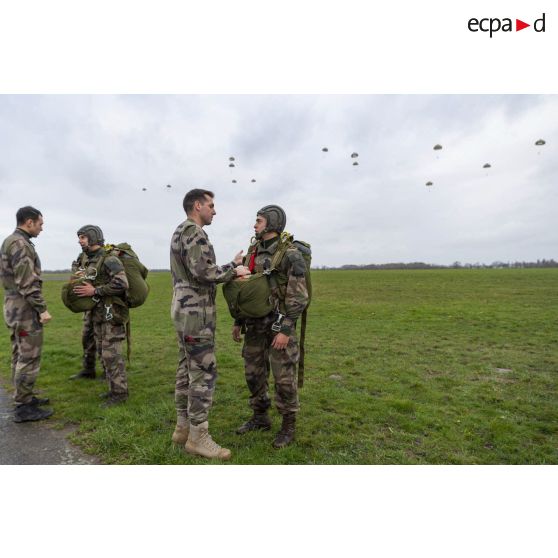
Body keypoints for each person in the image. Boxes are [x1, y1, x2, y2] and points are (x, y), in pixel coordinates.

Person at [170, 188, 250, 460]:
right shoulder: (195, 232)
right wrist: (235, 271)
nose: (214, 211)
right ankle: (198, 437)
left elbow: (197, 268)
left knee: (185, 368)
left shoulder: (180, 231)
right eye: (211, 205)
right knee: (204, 372)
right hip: (197, 314)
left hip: (182, 309)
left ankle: (182, 428)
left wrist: (230, 264)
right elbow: (203, 271)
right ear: (197, 206)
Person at [233, 205, 309, 448]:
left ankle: (288, 425)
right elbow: (247, 290)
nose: (255, 225)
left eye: (259, 220)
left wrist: (286, 329)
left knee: (284, 378)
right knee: (253, 375)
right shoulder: (252, 251)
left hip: (279, 326)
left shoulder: (291, 254)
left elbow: (299, 297)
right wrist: (238, 321)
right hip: (254, 325)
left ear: (272, 223)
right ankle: (260, 417)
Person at [0, 206, 53, 423]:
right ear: (29, 222)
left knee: (19, 353)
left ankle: (25, 397)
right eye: (40, 223)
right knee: (28, 356)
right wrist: (42, 309)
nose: (42, 228)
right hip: (24, 307)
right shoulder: (20, 244)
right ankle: (23, 407)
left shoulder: (11, 241)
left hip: (14, 304)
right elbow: (27, 282)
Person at [72, 225, 129, 406]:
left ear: (93, 237)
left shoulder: (110, 259)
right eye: (79, 237)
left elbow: (122, 284)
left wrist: (95, 290)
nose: (80, 240)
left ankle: (120, 393)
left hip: (111, 313)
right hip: (98, 313)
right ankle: (113, 389)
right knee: (104, 353)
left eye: (83, 237)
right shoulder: (89, 259)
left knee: (112, 354)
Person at [69, 244, 103, 380]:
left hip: (103, 304)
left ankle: (109, 372)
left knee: (103, 339)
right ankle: (89, 370)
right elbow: (75, 271)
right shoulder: (82, 257)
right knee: (87, 337)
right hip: (88, 304)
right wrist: (78, 275)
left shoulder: (105, 257)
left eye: (83, 237)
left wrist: (94, 287)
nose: (79, 241)